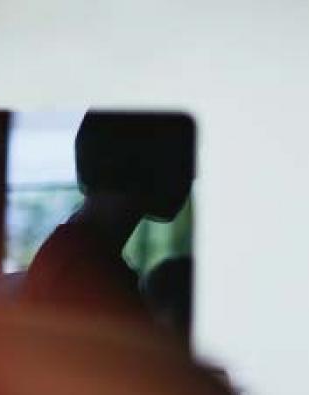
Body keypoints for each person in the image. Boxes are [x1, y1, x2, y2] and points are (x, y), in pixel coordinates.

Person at [22, 110, 195, 331]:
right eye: (182, 155)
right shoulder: (92, 276)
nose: (193, 173)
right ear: (147, 158)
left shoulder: (71, 253)